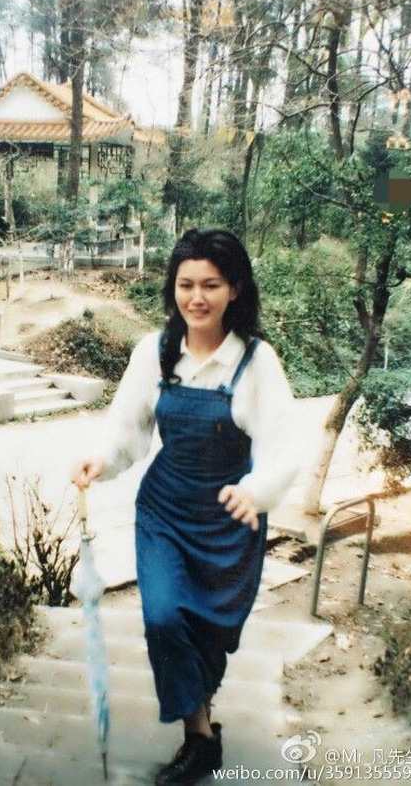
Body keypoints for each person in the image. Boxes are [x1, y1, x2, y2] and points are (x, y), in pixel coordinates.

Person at [70, 228, 298, 785]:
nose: (196, 298)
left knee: (207, 630)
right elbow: (126, 429)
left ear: (235, 289)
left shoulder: (256, 362)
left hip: (229, 521)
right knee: (164, 617)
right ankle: (198, 737)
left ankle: (202, 733)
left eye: (211, 285)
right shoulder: (154, 352)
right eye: (186, 284)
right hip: (165, 513)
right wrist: (101, 459)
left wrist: (256, 491)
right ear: (172, 288)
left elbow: (284, 447)